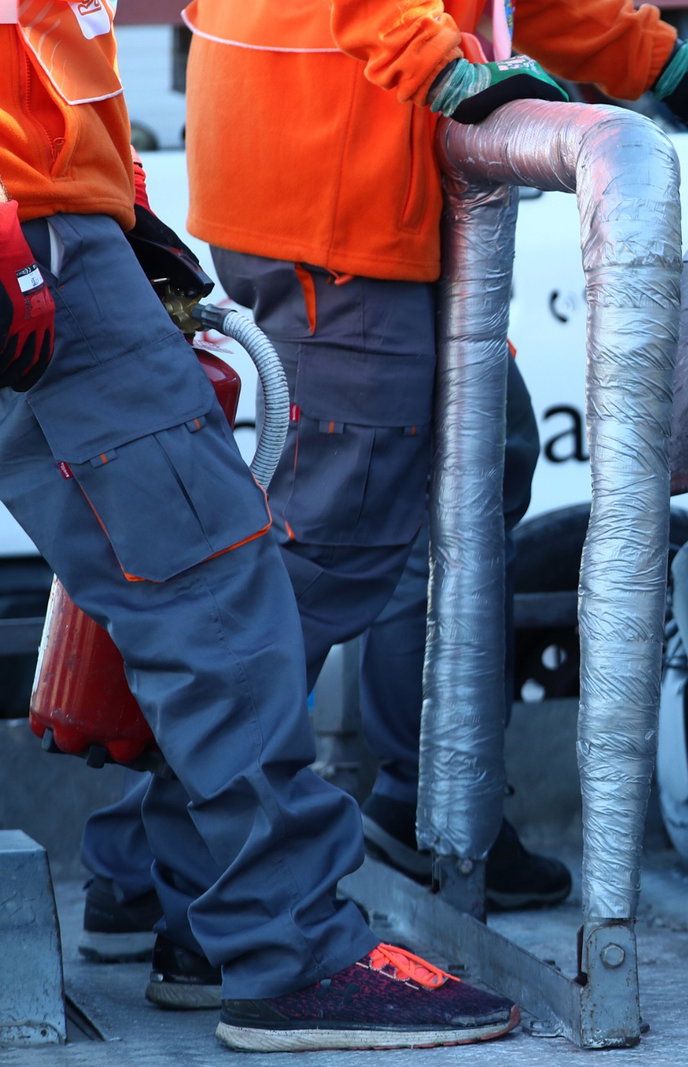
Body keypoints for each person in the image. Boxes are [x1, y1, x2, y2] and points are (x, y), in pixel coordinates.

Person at [78, 0, 688, 1003]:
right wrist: (450, 73)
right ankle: (201, 900)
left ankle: (211, 858)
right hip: (340, 194)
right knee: (323, 554)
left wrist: (662, 64)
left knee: (466, 461)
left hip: (349, 172)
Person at [0, 5, 520, 1053]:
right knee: (212, 587)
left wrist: (117, 197)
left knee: (186, 577)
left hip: (61, 212)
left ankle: (182, 897)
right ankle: (290, 953)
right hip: (36, 223)